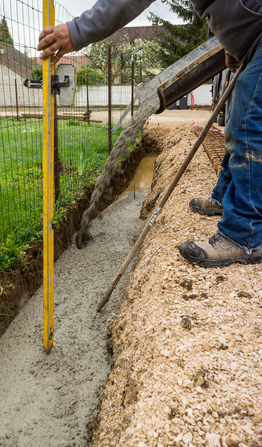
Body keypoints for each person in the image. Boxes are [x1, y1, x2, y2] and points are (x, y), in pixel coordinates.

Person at [38, 0, 262, 268]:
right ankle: (224, 198)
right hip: (251, 41)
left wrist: (77, 30)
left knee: (246, 125)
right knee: (238, 124)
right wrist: (231, 42)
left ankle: (245, 235)